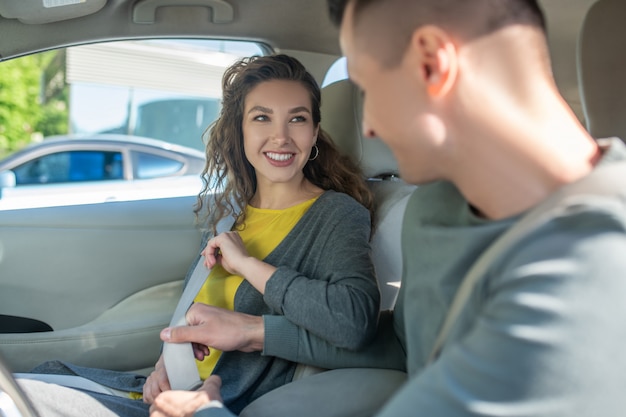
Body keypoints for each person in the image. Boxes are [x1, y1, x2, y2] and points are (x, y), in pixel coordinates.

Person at [151, 0, 626, 416]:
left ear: (433, 64)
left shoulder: (594, 261)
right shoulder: (435, 212)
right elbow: (402, 349)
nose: (369, 127)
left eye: (371, 88)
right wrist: (253, 332)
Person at [17, 54, 381, 417]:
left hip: (211, 405)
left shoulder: (335, 213)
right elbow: (196, 320)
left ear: (314, 132)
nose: (281, 136)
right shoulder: (232, 217)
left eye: (297, 119)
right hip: (163, 395)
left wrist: (248, 265)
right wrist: (164, 365)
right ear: (240, 131)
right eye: (261, 117)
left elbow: (352, 321)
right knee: (34, 379)